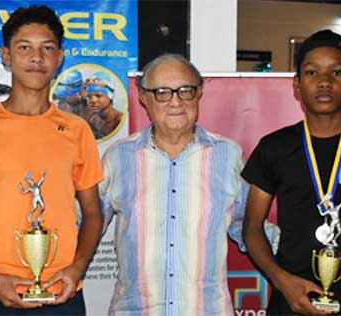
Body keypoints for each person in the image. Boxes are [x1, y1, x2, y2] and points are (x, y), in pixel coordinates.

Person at [0, 5, 104, 314]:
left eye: (47, 48)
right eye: (24, 47)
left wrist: (77, 269)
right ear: (6, 56)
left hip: (61, 293)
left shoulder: (77, 130)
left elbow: (92, 213)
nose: (37, 57)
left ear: (59, 58)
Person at [242, 29, 341, 315]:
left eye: (337, 72)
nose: (325, 82)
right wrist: (284, 283)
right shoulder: (274, 147)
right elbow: (252, 229)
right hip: (292, 303)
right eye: (312, 73)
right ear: (297, 85)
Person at [100, 54, 278, 315]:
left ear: (200, 93)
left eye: (185, 91)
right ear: (143, 97)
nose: (175, 102)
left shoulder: (228, 156)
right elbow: (84, 225)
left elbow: (251, 226)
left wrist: (307, 255)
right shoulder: (118, 157)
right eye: (162, 92)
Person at [84, 72, 123, 138]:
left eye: (98, 96)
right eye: (89, 97)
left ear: (110, 97)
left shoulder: (120, 120)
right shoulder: (94, 120)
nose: (93, 100)